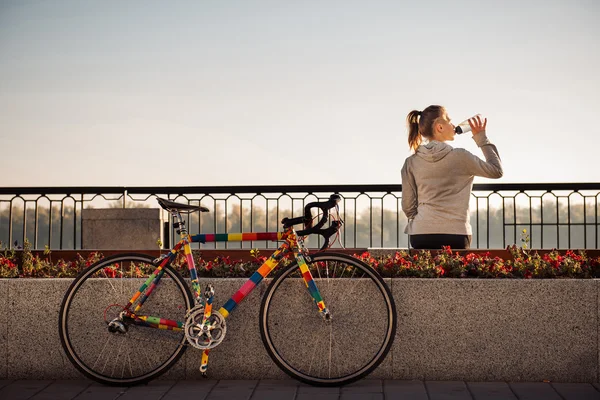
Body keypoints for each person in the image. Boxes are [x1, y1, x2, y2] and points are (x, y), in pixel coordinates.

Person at [401, 105, 503, 250]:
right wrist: (481, 137)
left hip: (420, 233)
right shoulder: (461, 156)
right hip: (456, 234)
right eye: (449, 120)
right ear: (439, 127)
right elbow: (496, 170)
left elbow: (408, 207)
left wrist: (427, 221)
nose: (453, 124)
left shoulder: (410, 162)